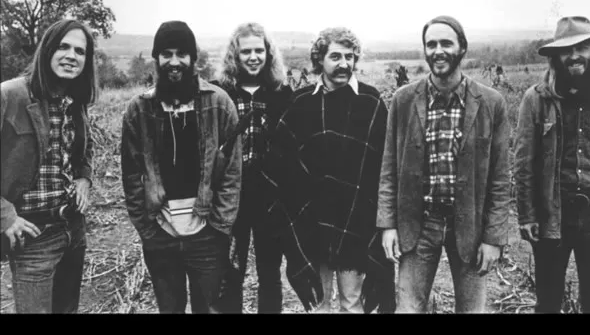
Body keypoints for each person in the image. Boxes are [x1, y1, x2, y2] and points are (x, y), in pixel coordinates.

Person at [377, 15, 511, 313]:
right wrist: (388, 225)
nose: (438, 51)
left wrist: (493, 238)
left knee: (472, 309)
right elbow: (389, 168)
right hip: (418, 222)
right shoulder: (403, 100)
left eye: (446, 43)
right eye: (431, 44)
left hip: (470, 225)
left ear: (462, 48)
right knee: (408, 308)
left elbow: (500, 179)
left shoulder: (491, 103)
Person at [266, 27, 392, 313]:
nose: (344, 64)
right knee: (317, 305)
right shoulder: (301, 103)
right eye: (335, 56)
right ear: (319, 59)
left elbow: (384, 168)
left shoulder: (371, 102)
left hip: (357, 223)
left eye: (349, 56)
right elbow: (282, 167)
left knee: (352, 304)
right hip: (312, 223)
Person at [514, 16, 590, 313]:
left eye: (581, 48)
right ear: (556, 56)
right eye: (566, 50)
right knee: (548, 301)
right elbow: (524, 161)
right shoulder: (536, 99)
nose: (574, 56)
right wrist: (527, 215)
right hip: (551, 213)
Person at [120, 20, 242, 313]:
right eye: (166, 54)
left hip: (207, 236)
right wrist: (147, 230)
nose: (174, 62)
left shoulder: (219, 104)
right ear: (156, 58)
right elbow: (131, 174)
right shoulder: (139, 109)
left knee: (208, 308)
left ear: (193, 58)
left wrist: (219, 228)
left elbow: (232, 173)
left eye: (182, 54)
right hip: (160, 235)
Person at [1, 19, 96, 313]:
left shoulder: (75, 100)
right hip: (33, 235)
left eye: (80, 51)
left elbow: (86, 147)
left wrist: (84, 178)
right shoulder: (10, 95)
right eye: (63, 47)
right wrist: (6, 216)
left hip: (73, 228)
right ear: (46, 50)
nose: (71, 56)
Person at [214, 22, 293, 313]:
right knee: (230, 274)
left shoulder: (281, 93)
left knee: (270, 274)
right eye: (246, 51)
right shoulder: (220, 93)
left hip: (269, 200)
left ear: (268, 54)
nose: (253, 57)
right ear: (235, 55)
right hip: (230, 198)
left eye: (259, 50)